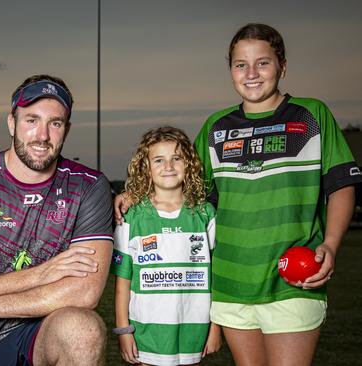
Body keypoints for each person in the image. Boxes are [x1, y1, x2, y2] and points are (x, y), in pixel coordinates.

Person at [116, 24, 361, 365]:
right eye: (240, 64)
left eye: (263, 63)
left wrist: (331, 243)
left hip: (292, 278)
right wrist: (133, 192)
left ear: (282, 66)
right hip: (230, 285)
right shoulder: (217, 127)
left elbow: (341, 185)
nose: (251, 73)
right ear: (230, 69)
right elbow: (177, 175)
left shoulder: (311, 115)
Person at [0, 74, 113, 365]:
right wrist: (40, 273)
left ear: (67, 129)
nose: (42, 135)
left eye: (55, 123)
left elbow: (85, 290)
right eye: (31, 120)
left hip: (45, 330)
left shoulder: (87, 186)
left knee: (82, 330)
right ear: (12, 122)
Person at [111, 126, 221, 365]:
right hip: (146, 332)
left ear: (189, 164)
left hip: (194, 329)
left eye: (177, 158)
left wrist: (216, 327)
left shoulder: (205, 214)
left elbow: (217, 277)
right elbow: (122, 283)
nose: (168, 166)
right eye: (159, 160)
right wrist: (123, 330)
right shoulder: (132, 217)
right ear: (146, 168)